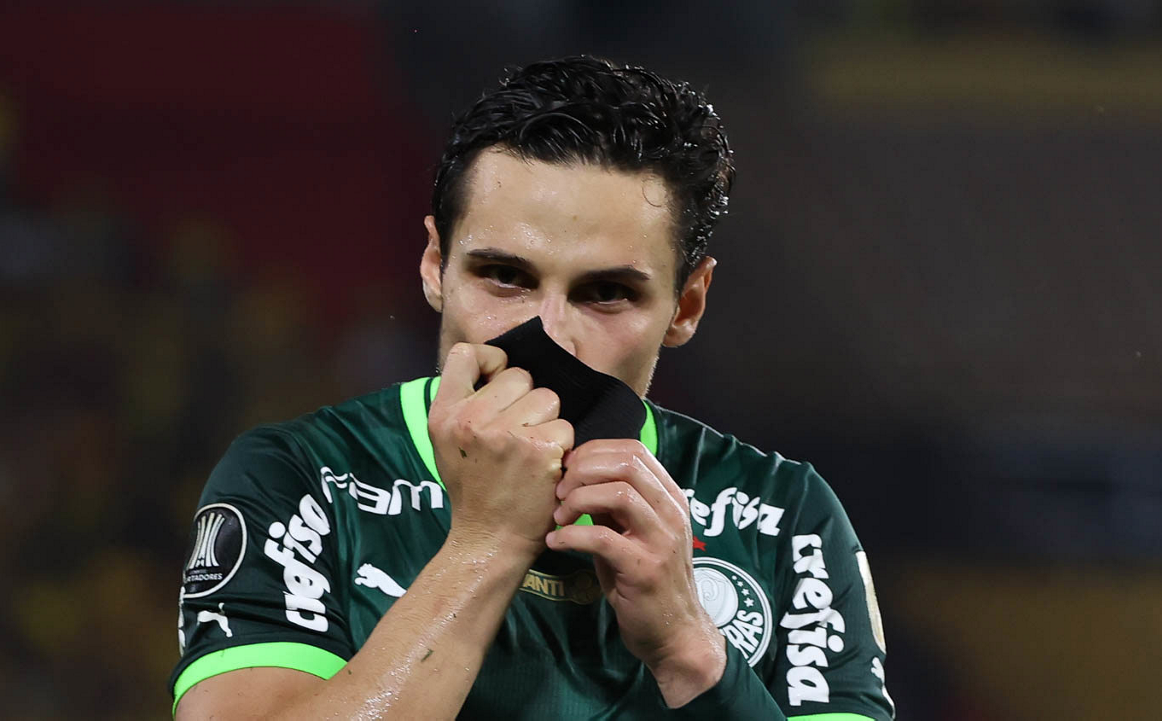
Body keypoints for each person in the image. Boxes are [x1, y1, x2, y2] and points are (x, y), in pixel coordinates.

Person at [170, 55, 894, 720]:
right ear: (434, 265)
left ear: (686, 305)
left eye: (606, 293)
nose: (549, 336)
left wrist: (689, 651)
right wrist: (486, 543)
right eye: (504, 276)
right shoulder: (299, 479)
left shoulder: (783, 518)